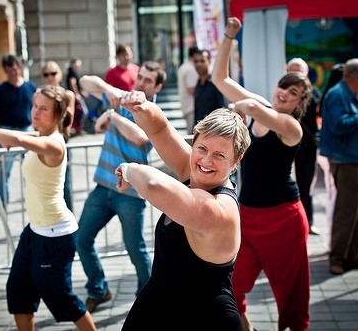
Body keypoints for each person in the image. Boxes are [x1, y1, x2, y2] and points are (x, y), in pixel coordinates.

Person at [0, 85, 96, 331]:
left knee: (60, 297)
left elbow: (18, 138)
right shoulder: (41, 137)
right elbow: (16, 136)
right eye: (35, 106)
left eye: (44, 108)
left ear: (57, 115)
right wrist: (6, 138)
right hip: (34, 232)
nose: (35, 112)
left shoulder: (54, 144)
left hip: (56, 235)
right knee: (19, 290)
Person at [212, 17, 314, 331]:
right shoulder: (259, 105)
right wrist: (229, 37)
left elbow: (254, 110)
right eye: (283, 85)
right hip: (247, 217)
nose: (284, 92)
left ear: (300, 102)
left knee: (291, 300)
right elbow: (220, 78)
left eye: (293, 91)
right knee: (230, 286)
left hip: (283, 219)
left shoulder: (291, 126)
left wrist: (239, 106)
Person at [114, 94, 250, 330]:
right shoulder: (197, 172)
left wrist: (129, 170)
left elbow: (154, 185)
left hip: (206, 320)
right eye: (202, 148)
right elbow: (160, 130)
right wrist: (142, 106)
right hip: (159, 305)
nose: (206, 161)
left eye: (220, 155)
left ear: (236, 161)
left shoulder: (219, 209)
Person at [76, 61, 166, 313]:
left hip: (131, 192)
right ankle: (98, 289)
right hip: (104, 187)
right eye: (141, 77)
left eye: (149, 80)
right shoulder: (123, 98)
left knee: (135, 249)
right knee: (81, 239)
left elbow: (140, 137)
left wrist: (112, 115)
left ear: (157, 86)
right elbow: (84, 82)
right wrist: (110, 90)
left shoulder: (153, 111)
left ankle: (148, 299)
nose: (141, 83)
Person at [319, 58, 358, 275]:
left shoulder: (345, 93)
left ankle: (352, 255)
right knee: (347, 211)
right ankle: (338, 257)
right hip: (346, 160)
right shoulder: (338, 94)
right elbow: (338, 126)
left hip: (354, 160)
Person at [0, 54, 36, 206]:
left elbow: (36, 110)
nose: (13, 73)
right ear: (5, 71)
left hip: (27, 130)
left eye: (15, 69)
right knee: (5, 170)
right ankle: (3, 204)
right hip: (7, 131)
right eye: (9, 71)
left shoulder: (30, 87)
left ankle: (33, 201)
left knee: (31, 169)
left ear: (20, 68)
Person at [287, 57, 322, 236]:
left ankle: (308, 220)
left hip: (307, 146)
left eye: (298, 71)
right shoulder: (282, 94)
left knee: (306, 184)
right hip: (285, 145)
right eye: (291, 71)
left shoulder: (313, 93)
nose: (295, 75)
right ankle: (290, 222)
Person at [315, 63, 343, 249]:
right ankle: (333, 240)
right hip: (333, 154)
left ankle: (334, 239)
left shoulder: (327, 95)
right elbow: (338, 126)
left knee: (332, 195)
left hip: (327, 152)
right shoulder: (337, 97)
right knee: (334, 195)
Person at [41, 61, 75, 211]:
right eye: (46, 74)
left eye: (53, 73)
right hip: (44, 141)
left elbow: (68, 120)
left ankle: (68, 217)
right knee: (44, 182)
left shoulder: (67, 95)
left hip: (61, 140)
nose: (50, 77)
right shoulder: (40, 95)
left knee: (64, 182)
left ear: (60, 74)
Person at [193, 48, 226, 126]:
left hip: (215, 129)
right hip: (201, 129)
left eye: (202, 61)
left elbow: (223, 109)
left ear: (209, 62)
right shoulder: (198, 83)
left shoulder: (216, 83)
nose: (199, 64)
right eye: (196, 61)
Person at [177, 45, 199, 134]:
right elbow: (191, 89)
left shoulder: (184, 67)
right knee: (194, 136)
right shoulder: (191, 69)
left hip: (187, 107)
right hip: (192, 108)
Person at [66, 57, 87, 135]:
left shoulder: (73, 72)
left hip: (75, 95)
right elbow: (73, 83)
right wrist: (77, 94)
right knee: (83, 112)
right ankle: (77, 129)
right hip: (74, 97)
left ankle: (78, 128)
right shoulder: (72, 73)